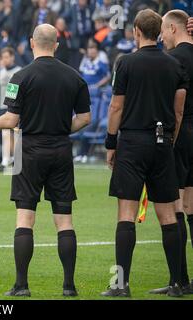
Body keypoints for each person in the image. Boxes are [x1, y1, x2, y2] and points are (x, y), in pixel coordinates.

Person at [0, 24, 91, 297]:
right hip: (61, 150)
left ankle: (21, 285)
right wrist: (63, 128)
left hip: (29, 150)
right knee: (64, 220)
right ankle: (69, 286)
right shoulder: (75, 77)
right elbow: (86, 118)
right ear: (57, 44)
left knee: (25, 218)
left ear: (32, 43)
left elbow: (11, 120)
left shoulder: (20, 76)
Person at [102, 9, 188, 298]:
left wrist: (111, 142)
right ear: (159, 32)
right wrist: (170, 142)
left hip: (133, 142)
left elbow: (116, 106)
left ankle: (121, 285)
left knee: (126, 214)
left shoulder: (126, 62)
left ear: (137, 30)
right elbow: (178, 109)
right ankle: (177, 283)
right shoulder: (174, 65)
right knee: (168, 215)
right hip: (163, 142)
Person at [149, 9, 193, 295]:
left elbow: (172, 109)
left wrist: (163, 142)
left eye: (163, 31)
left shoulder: (172, 61)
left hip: (179, 136)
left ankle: (179, 280)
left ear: (173, 29)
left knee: (174, 209)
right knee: (191, 209)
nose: (161, 37)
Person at [0, 47, 21, 171]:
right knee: (6, 134)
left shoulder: (18, 72)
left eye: (7, 57)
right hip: (3, 106)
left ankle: (15, 160)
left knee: (16, 135)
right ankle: (6, 160)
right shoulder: (1, 72)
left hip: (15, 107)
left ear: (12, 57)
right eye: (3, 57)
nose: (5, 60)